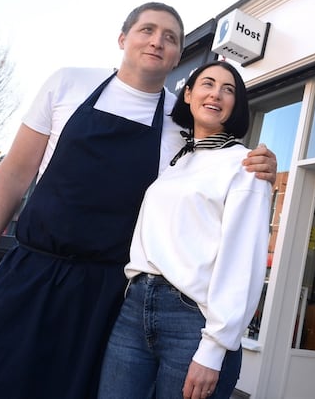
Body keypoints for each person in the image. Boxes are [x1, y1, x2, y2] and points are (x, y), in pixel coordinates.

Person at [0, 2, 277, 399]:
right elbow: (13, 175)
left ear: (178, 57)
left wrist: (260, 161)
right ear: (122, 38)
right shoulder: (67, 84)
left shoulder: (180, 120)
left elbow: (213, 163)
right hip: (30, 271)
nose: (157, 41)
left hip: (105, 294)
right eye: (147, 30)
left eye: (170, 38)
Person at [97, 60, 270, 399]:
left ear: (236, 105)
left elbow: (242, 263)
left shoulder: (245, 164)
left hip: (191, 320)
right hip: (133, 307)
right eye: (207, 84)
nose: (216, 94)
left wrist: (215, 347)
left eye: (228, 89)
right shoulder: (175, 157)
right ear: (188, 94)